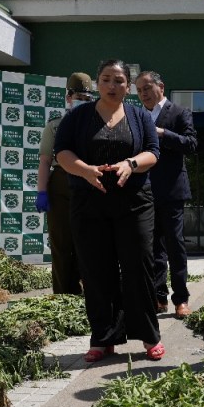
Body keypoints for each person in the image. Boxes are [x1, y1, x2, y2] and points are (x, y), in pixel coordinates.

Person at [53, 60, 162, 362]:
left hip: (135, 203)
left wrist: (131, 164)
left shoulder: (140, 116)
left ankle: (149, 336)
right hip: (89, 203)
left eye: (119, 81)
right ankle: (103, 337)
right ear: (97, 84)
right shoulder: (78, 117)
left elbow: (153, 151)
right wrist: (85, 170)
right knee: (96, 269)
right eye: (105, 80)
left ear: (128, 86)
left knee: (138, 265)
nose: (112, 86)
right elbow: (61, 151)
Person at [135, 71, 198, 319]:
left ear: (160, 86)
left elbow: (191, 143)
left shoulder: (179, 112)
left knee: (175, 246)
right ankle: (158, 297)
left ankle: (181, 299)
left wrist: (163, 133)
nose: (143, 94)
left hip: (172, 190)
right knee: (152, 249)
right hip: (144, 191)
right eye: (139, 90)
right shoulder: (137, 115)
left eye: (147, 88)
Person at [35, 72, 95, 294]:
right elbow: (45, 161)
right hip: (60, 184)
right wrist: (42, 192)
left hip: (90, 183)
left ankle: (90, 294)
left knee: (88, 243)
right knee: (61, 244)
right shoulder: (55, 125)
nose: (81, 101)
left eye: (87, 98)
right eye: (78, 96)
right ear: (68, 97)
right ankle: (63, 295)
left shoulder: (98, 124)